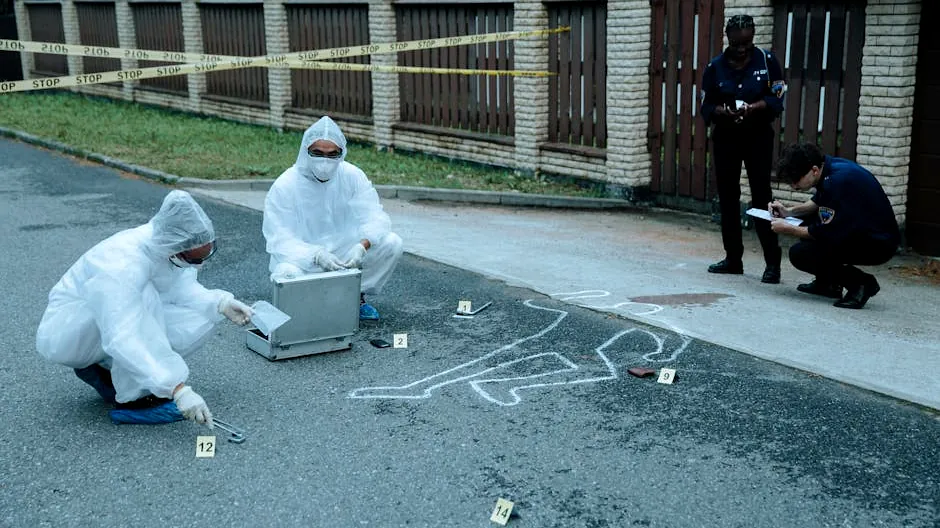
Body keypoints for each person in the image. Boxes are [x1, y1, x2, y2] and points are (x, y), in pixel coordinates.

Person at [36, 190, 254, 426]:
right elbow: (122, 333)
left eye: (206, 256)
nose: (199, 265)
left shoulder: (163, 245)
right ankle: (133, 401)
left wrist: (218, 302)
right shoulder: (122, 264)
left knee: (202, 316)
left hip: (105, 326)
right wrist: (176, 388)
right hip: (70, 334)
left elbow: (178, 287)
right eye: (193, 260)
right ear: (176, 249)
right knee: (144, 298)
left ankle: (109, 371)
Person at [263, 116, 403, 321]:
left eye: (332, 154)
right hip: (303, 259)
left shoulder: (352, 176)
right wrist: (316, 255)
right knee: (286, 273)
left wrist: (362, 246)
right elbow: (279, 238)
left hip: (344, 255)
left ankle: (355, 297)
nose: (325, 161)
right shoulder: (286, 185)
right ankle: (310, 306)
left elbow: (375, 217)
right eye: (317, 153)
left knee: (392, 243)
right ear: (305, 151)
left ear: (342, 153)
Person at [700, 14, 787, 283]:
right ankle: (733, 259)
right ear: (728, 38)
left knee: (763, 197)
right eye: (736, 44)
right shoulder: (714, 67)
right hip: (726, 138)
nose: (741, 49)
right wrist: (723, 111)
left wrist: (754, 108)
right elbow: (706, 106)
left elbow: (777, 97)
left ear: (752, 38)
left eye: (746, 44)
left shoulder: (767, 61)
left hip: (758, 137)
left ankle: (772, 264)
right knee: (728, 197)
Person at [769, 142, 900, 309]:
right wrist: (789, 212)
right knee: (808, 227)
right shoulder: (831, 167)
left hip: (878, 243)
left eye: (796, 180)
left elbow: (825, 231)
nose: (794, 186)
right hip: (867, 232)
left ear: (814, 170)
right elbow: (818, 202)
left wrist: (790, 229)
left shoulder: (838, 181)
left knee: (800, 253)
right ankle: (828, 284)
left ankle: (860, 284)